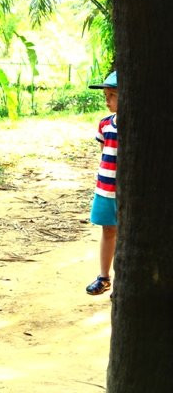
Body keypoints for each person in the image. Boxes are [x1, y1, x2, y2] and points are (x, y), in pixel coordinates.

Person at [85, 70, 118, 296]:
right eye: (105, 95)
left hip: (127, 192)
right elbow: (104, 153)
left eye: (112, 95)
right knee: (108, 230)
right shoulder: (105, 124)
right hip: (105, 189)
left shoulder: (140, 127)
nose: (107, 100)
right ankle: (104, 277)